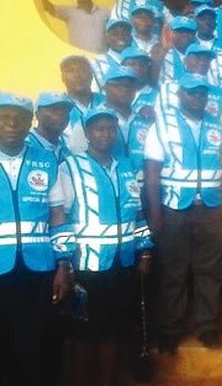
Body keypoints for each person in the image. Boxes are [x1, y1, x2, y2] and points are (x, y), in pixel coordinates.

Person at [60, 108, 152, 386]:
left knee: (115, 330)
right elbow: (60, 217)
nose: (105, 134)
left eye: (111, 129)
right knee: (84, 334)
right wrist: (65, 262)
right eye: (98, 129)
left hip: (122, 264)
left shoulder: (127, 166)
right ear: (87, 133)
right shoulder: (70, 167)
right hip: (88, 267)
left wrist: (145, 251)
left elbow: (137, 214)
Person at [144, 73, 222, 352]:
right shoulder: (163, 125)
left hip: (211, 209)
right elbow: (152, 174)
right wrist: (156, 214)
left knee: (210, 271)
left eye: (202, 93)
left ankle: (208, 327)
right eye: (192, 93)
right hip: (175, 209)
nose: (197, 98)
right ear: (180, 94)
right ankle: (170, 330)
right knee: (173, 272)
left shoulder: (218, 125)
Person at [0, 93, 73, 386]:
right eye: (4, 117)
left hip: (40, 269)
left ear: (30, 121)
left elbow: (58, 214)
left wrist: (63, 263)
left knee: (38, 341)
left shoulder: (45, 161)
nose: (11, 124)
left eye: (18, 117)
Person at [39, 0, 109, 53]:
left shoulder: (104, 12)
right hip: (79, 60)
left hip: (101, 60)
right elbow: (49, 8)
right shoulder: (69, 11)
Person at [60, 55, 105, 153]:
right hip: (70, 164)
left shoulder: (108, 102)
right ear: (63, 77)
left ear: (91, 76)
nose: (77, 75)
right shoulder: (57, 107)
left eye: (82, 70)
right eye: (71, 71)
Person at [27, 92, 73, 163]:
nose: (60, 115)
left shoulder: (68, 150)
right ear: (37, 113)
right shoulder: (23, 144)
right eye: (54, 110)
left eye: (65, 111)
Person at [92, 18, 133, 90]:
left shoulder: (140, 61)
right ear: (106, 38)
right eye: (115, 33)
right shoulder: (97, 63)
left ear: (131, 37)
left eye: (125, 33)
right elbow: (95, 92)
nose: (120, 36)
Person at [156, 16, 196, 84]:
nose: (184, 34)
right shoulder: (164, 55)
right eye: (180, 31)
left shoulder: (202, 56)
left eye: (188, 31)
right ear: (172, 33)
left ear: (194, 34)